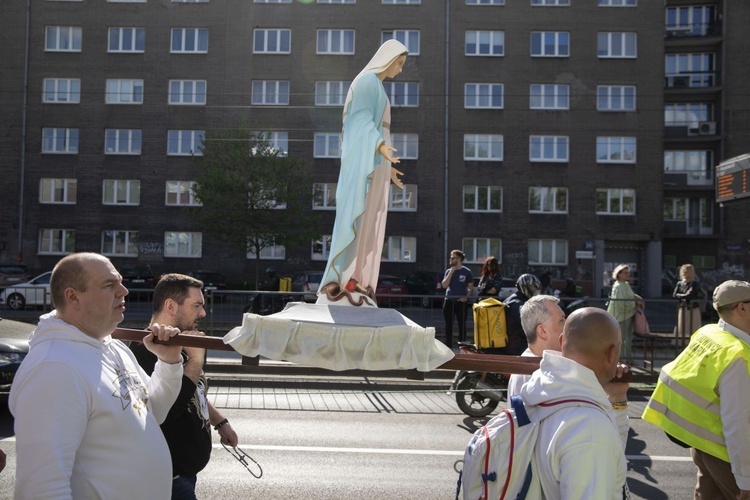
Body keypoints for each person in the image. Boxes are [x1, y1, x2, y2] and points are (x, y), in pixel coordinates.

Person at [9, 252, 184, 499]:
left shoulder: (112, 346)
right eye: (109, 285)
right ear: (73, 297)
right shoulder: (54, 367)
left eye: (120, 282)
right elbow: (42, 488)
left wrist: (168, 362)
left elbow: (153, 412)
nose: (123, 291)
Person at [130, 273, 238, 500]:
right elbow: (164, 411)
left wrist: (220, 421)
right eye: (197, 305)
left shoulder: (187, 342)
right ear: (170, 306)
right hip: (169, 480)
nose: (203, 313)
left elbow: (194, 390)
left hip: (186, 476)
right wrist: (196, 362)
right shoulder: (144, 350)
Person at [318, 39, 409, 306]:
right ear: (388, 58)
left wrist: (387, 166)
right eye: (400, 63)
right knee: (359, 218)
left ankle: (356, 279)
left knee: (370, 221)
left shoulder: (377, 86)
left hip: (376, 160)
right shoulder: (367, 81)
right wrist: (380, 146)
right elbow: (360, 119)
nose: (401, 70)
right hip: (368, 157)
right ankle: (343, 277)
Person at [642, 280, 750, 499]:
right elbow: (737, 423)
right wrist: (745, 480)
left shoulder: (708, 332)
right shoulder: (737, 355)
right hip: (724, 453)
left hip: (700, 445)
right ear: (742, 308)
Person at [518, 307, 631, 499]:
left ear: (562, 342)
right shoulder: (589, 427)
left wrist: (617, 400)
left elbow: (610, 454)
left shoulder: (546, 390)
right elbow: (597, 445)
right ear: (612, 353)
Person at [506, 294, 566, 397]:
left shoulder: (535, 365)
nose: (567, 325)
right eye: (561, 320)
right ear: (542, 331)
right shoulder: (535, 373)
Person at [606, 264, 641, 364]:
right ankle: (622, 359)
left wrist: (636, 297)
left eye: (628, 273)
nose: (627, 275)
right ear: (619, 274)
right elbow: (621, 302)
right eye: (625, 273)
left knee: (628, 338)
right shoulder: (619, 286)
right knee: (623, 338)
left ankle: (627, 358)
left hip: (627, 314)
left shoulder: (625, 284)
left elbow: (629, 296)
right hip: (621, 315)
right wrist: (634, 304)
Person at [441, 249, 473, 349]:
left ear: (458, 259)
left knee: (462, 326)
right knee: (448, 326)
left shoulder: (466, 272)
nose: (450, 259)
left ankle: (463, 347)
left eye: (453, 257)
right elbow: (444, 285)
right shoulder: (448, 271)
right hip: (449, 301)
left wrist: (466, 297)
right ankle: (448, 347)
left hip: (461, 302)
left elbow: (470, 288)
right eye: (451, 257)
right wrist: (452, 271)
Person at [502, 273, 542, 355]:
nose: (535, 291)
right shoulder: (519, 305)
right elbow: (530, 326)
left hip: (508, 344)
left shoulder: (509, 299)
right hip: (516, 348)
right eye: (533, 288)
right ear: (525, 287)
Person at [672, 263, 702, 342]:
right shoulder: (679, 283)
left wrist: (681, 295)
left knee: (694, 326)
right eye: (683, 271)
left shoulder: (694, 284)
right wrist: (682, 295)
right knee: (681, 326)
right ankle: (681, 343)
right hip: (682, 307)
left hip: (693, 308)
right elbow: (674, 295)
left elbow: (689, 295)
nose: (684, 273)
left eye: (687, 271)